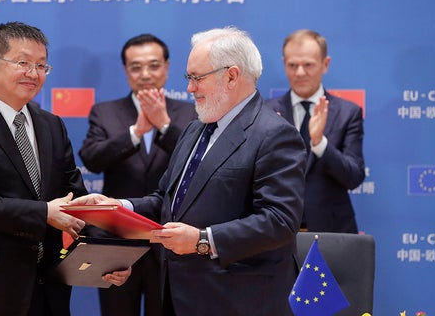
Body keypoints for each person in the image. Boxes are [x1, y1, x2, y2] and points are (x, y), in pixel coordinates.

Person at [70, 26, 307, 315]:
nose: (190, 88)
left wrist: (203, 240)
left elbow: (280, 220)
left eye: (197, 78)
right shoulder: (196, 129)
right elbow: (166, 201)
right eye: (189, 78)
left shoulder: (274, 134)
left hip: (238, 299)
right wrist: (117, 205)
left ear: (231, 75)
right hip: (179, 294)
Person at [0, 21, 130, 316]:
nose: (34, 74)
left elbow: (73, 200)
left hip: (48, 291)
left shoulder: (52, 124)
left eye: (42, 66)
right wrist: (45, 214)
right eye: (23, 63)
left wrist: (107, 259)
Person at [78, 34, 197, 316]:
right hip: (116, 242)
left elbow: (197, 163)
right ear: (126, 71)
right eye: (136, 67)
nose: (145, 75)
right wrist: (136, 133)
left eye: (153, 66)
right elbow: (91, 159)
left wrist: (164, 126)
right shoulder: (105, 112)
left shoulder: (190, 112)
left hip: (170, 240)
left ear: (167, 67)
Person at [265, 29, 365, 233]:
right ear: (284, 64)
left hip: (331, 231)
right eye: (293, 65)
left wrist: (320, 143)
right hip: (274, 232)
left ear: (325, 64)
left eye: (308, 65)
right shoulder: (265, 112)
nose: (300, 72)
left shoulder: (348, 113)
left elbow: (353, 177)